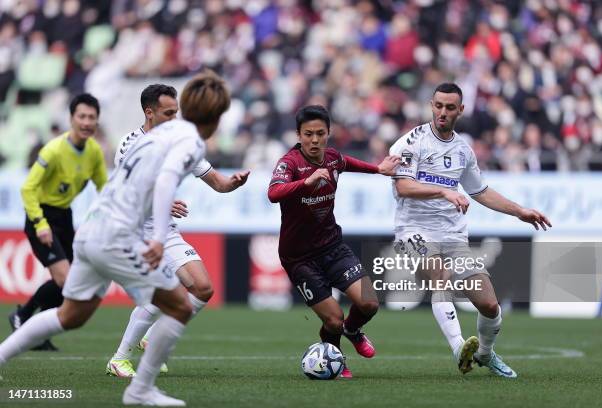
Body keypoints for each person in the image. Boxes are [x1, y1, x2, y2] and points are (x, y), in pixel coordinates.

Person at [0, 69, 231, 406]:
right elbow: (166, 180)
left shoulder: (156, 136)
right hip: (121, 235)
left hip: (93, 230)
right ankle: (139, 389)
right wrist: (155, 237)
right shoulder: (186, 139)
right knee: (178, 305)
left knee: (71, 316)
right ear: (215, 117)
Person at [389, 83, 551, 378]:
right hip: (413, 232)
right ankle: (458, 349)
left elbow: (481, 191)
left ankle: (485, 354)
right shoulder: (412, 142)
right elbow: (403, 185)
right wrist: (444, 192)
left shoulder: (463, 150)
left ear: (460, 110)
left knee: (489, 305)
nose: (443, 112)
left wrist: (520, 212)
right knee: (440, 276)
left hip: (453, 236)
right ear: (431, 105)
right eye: (438, 105)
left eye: (450, 107)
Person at [107, 83, 250, 378]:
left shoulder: (183, 143)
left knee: (202, 287)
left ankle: (153, 338)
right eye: (168, 113)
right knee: (160, 294)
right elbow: (125, 192)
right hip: (133, 230)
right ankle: (119, 359)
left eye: (176, 112)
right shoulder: (130, 144)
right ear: (149, 113)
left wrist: (233, 182)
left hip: (164, 230)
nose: (175, 118)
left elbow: (218, 183)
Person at [268, 105, 400, 378]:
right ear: (298, 135)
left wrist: (378, 169)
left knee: (369, 304)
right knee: (333, 318)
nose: (314, 140)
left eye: (320, 134)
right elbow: (273, 192)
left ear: (329, 133)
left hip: (332, 246)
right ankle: (335, 360)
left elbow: (347, 163)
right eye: (308, 134)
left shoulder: (331, 158)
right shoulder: (289, 163)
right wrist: (306, 182)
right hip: (299, 258)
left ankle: (353, 330)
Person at [10, 93, 107, 351]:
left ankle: (36, 330)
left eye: (92, 118)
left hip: (65, 216)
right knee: (67, 280)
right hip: (41, 217)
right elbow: (27, 189)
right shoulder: (53, 150)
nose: (87, 122)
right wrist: (40, 224)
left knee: (72, 283)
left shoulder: (94, 151)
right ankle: (23, 314)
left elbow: (105, 188)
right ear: (71, 119)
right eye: (82, 116)